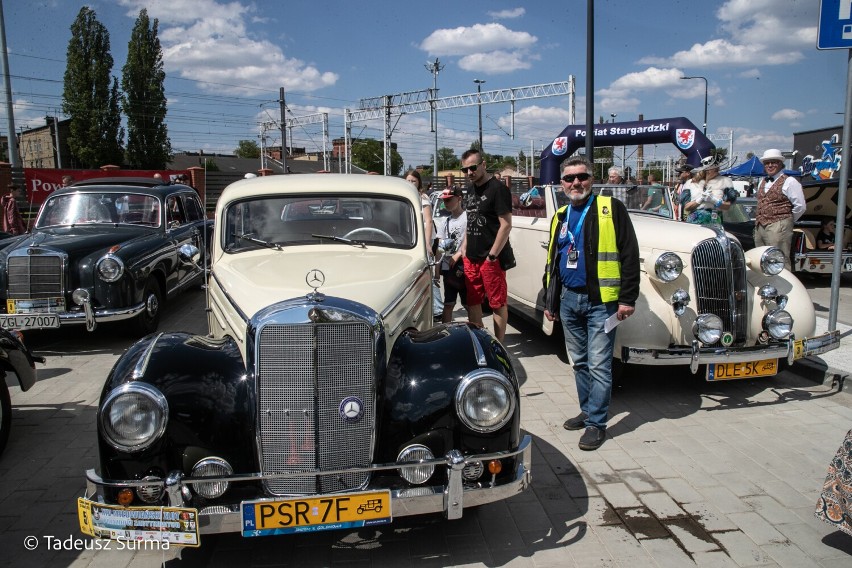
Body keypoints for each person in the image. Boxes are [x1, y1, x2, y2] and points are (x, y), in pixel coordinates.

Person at [543, 156, 639, 451]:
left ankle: (597, 424)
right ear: (561, 184)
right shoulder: (560, 215)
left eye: (582, 177)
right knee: (579, 362)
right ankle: (587, 411)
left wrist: (627, 298)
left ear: (592, 179)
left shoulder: (611, 209)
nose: (576, 183)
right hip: (569, 301)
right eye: (569, 178)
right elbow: (553, 261)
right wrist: (550, 299)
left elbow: (629, 254)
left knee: (599, 365)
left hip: (602, 302)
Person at [459, 149, 512, 343]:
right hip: (471, 256)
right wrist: (464, 245)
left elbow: (506, 224)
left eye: (472, 168)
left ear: (483, 165)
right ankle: (479, 342)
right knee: (472, 302)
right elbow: (470, 219)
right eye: (465, 170)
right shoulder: (470, 189)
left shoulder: (498, 189)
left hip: (490, 258)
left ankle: (499, 345)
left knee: (497, 302)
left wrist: (492, 256)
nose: (469, 173)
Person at [754, 149, 806, 270]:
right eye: (767, 163)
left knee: (779, 258)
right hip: (760, 225)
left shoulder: (790, 181)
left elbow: (801, 206)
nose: (770, 165)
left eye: (774, 162)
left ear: (781, 164)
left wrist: (786, 220)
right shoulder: (762, 181)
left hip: (779, 224)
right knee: (761, 258)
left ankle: (783, 286)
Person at [435, 186, 468, 323]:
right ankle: (445, 332)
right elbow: (440, 248)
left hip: (464, 266)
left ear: (459, 199)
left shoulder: (467, 218)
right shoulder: (445, 221)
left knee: (469, 304)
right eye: (444, 201)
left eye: (449, 200)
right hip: (449, 267)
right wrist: (437, 271)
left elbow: (470, 240)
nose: (446, 203)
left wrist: (459, 253)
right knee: (448, 303)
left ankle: (475, 331)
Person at [682, 159, 736, 226]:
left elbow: (728, 206)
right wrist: (700, 199)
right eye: (711, 169)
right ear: (705, 170)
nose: (717, 171)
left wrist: (714, 200)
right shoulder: (691, 183)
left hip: (715, 221)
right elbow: (686, 207)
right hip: (695, 221)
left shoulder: (725, 181)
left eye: (716, 169)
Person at [405, 170, 433, 248]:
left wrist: (427, 243)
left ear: (418, 182)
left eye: (413, 181)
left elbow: (429, 221)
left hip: (421, 238)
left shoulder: (422, 198)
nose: (410, 183)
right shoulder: (403, 198)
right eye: (408, 181)